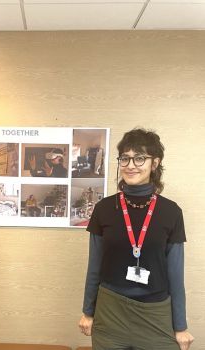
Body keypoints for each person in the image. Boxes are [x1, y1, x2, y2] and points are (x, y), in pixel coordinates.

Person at [78, 128, 194, 350]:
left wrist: (180, 326)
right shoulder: (104, 209)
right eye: (125, 158)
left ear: (155, 162)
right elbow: (94, 266)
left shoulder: (171, 212)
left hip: (155, 313)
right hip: (110, 311)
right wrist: (88, 312)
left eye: (139, 158)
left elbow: (175, 273)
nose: (130, 165)